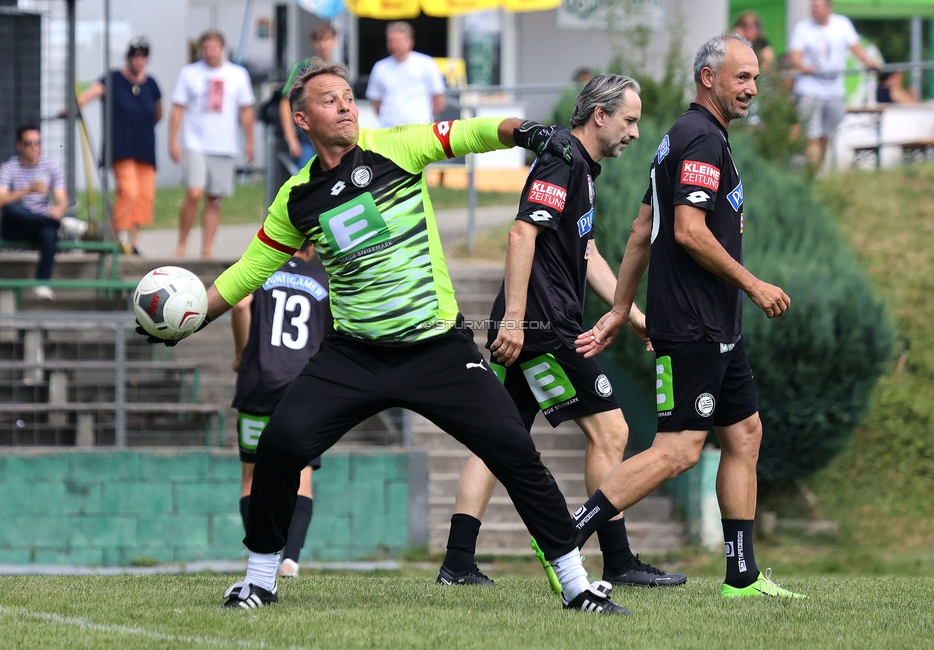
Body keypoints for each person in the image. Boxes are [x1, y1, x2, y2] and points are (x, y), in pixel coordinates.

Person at [141, 61, 628, 615]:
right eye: (330, 100)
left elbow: (469, 133)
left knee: (515, 450)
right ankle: (258, 580)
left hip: (437, 349)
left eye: (349, 97)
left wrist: (529, 132)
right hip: (354, 356)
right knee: (279, 445)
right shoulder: (296, 198)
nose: (346, 106)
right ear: (301, 119)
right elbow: (249, 272)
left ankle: (575, 584)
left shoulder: (396, 147)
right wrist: (189, 318)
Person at [573, 34, 805, 599]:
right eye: (741, 78)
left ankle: (742, 577)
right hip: (695, 324)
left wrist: (623, 308)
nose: (752, 88)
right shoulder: (699, 137)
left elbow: (639, 230)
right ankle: (564, 533)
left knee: (745, 435)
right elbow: (685, 231)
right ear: (709, 78)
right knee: (678, 450)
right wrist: (753, 284)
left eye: (754, 78)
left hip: (717, 326)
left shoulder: (687, 138)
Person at [437, 74, 686, 591]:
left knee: (497, 438)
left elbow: (587, 254)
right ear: (600, 115)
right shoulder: (563, 160)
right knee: (612, 431)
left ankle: (457, 561)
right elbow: (521, 232)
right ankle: (605, 556)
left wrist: (633, 316)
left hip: (534, 326)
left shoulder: (582, 170)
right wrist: (515, 321)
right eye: (629, 120)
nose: (635, 133)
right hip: (543, 329)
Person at [231, 240, 331, 579]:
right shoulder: (323, 282)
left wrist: (241, 354)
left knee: (252, 476)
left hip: (259, 383)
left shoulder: (261, 273)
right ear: (312, 245)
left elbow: (241, 306)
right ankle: (291, 559)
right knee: (301, 476)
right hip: (304, 387)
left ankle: (262, 557)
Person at [169, 30, 256, 259]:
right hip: (195, 141)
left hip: (224, 143)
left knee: (214, 198)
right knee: (195, 192)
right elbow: (177, 108)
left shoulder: (237, 74)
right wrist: (173, 140)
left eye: (214, 48)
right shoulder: (189, 73)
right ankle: (182, 242)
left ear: (222, 48)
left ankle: (207, 247)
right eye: (206, 48)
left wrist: (250, 141)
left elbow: (246, 109)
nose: (210, 53)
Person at [77, 36, 163, 254]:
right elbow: (91, 92)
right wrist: (74, 106)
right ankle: (116, 235)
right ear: (128, 58)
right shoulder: (114, 78)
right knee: (129, 191)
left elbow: (158, 112)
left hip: (144, 148)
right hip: (122, 147)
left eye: (143, 56)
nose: (139, 61)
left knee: (145, 196)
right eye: (135, 56)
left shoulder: (151, 84)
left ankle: (132, 243)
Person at [789, 0, 877, 172]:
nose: (814, 10)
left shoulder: (842, 24)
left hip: (835, 91)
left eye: (818, 7)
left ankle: (815, 172)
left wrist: (868, 62)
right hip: (810, 88)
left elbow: (855, 47)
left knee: (825, 136)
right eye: (812, 7)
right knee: (811, 135)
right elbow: (795, 55)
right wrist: (802, 66)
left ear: (829, 8)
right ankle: (813, 175)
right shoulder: (802, 28)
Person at [0, 125, 85, 300]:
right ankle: (61, 224)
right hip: (17, 225)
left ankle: (42, 284)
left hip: (40, 226)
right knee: (12, 209)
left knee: (48, 233)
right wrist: (28, 190)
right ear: (19, 146)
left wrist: (58, 209)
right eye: (29, 143)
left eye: (38, 143)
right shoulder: (9, 167)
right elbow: (2, 200)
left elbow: (63, 201)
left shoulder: (51, 167)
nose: (34, 147)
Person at [365, 21, 446, 128]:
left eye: (399, 41)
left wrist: (424, 119)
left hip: (419, 129)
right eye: (391, 41)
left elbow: (439, 100)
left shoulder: (426, 63)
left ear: (410, 42)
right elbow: (376, 100)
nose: (394, 45)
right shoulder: (380, 67)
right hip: (389, 130)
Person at [280, 22, 338, 168]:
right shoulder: (302, 67)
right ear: (313, 43)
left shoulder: (339, 70)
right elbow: (285, 103)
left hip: (333, 140)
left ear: (335, 41)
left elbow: (348, 105)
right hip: (307, 139)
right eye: (319, 40)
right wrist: (291, 138)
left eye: (327, 39)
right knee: (306, 183)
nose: (323, 44)